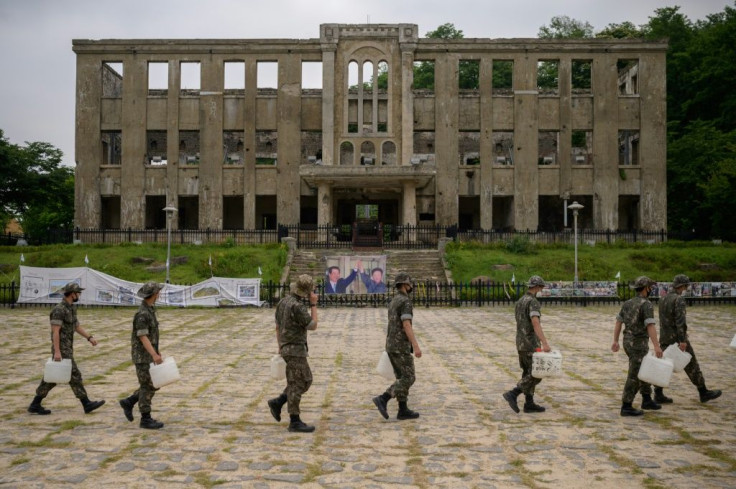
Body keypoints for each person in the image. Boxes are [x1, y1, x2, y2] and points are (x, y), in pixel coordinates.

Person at [28, 282, 105, 415]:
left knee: (52, 378)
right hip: (62, 349)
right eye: (78, 293)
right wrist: (57, 351)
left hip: (67, 348)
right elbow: (55, 332)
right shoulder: (59, 310)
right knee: (74, 375)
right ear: (72, 294)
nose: (79, 295)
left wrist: (89, 337)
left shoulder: (71, 308)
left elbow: (76, 326)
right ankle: (86, 403)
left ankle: (35, 404)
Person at [655, 274, 721, 404]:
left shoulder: (663, 298)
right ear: (682, 286)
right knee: (692, 364)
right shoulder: (678, 300)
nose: (686, 288)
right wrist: (683, 340)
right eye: (685, 286)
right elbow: (680, 322)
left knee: (663, 365)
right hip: (677, 339)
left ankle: (658, 393)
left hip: (664, 337)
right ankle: (703, 392)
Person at [267, 274, 319, 433]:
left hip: (286, 347)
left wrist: (280, 345)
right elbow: (313, 325)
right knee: (299, 383)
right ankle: (294, 420)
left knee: (304, 380)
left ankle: (279, 401)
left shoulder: (283, 302)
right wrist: (314, 305)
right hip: (295, 350)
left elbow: (277, 326)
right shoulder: (297, 307)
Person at [611, 276, 664, 416]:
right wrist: (657, 346)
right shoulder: (646, 304)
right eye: (650, 287)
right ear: (646, 288)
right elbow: (650, 325)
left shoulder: (628, 303)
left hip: (627, 341)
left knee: (643, 368)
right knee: (634, 375)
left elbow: (618, 322)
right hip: (638, 344)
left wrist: (615, 341)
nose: (651, 289)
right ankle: (626, 406)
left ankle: (646, 398)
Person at [373, 272, 422, 420]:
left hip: (391, 343)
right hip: (401, 346)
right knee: (409, 377)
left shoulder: (394, 300)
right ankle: (384, 398)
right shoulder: (405, 301)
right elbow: (406, 324)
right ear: (406, 284)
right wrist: (416, 346)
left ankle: (403, 409)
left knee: (401, 376)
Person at [119, 281, 165, 429]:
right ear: (154, 295)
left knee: (153, 384)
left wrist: (156, 351)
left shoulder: (150, 310)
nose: (159, 294)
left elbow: (151, 336)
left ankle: (130, 401)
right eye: (158, 292)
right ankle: (145, 418)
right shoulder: (142, 314)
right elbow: (143, 337)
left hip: (149, 354)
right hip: (142, 356)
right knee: (147, 386)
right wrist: (153, 354)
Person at [502, 276, 551, 414]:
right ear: (537, 287)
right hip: (530, 343)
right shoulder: (533, 302)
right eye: (541, 287)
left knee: (527, 372)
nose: (541, 289)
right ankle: (513, 393)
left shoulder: (520, 301)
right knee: (537, 373)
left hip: (520, 342)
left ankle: (529, 403)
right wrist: (545, 343)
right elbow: (535, 322)